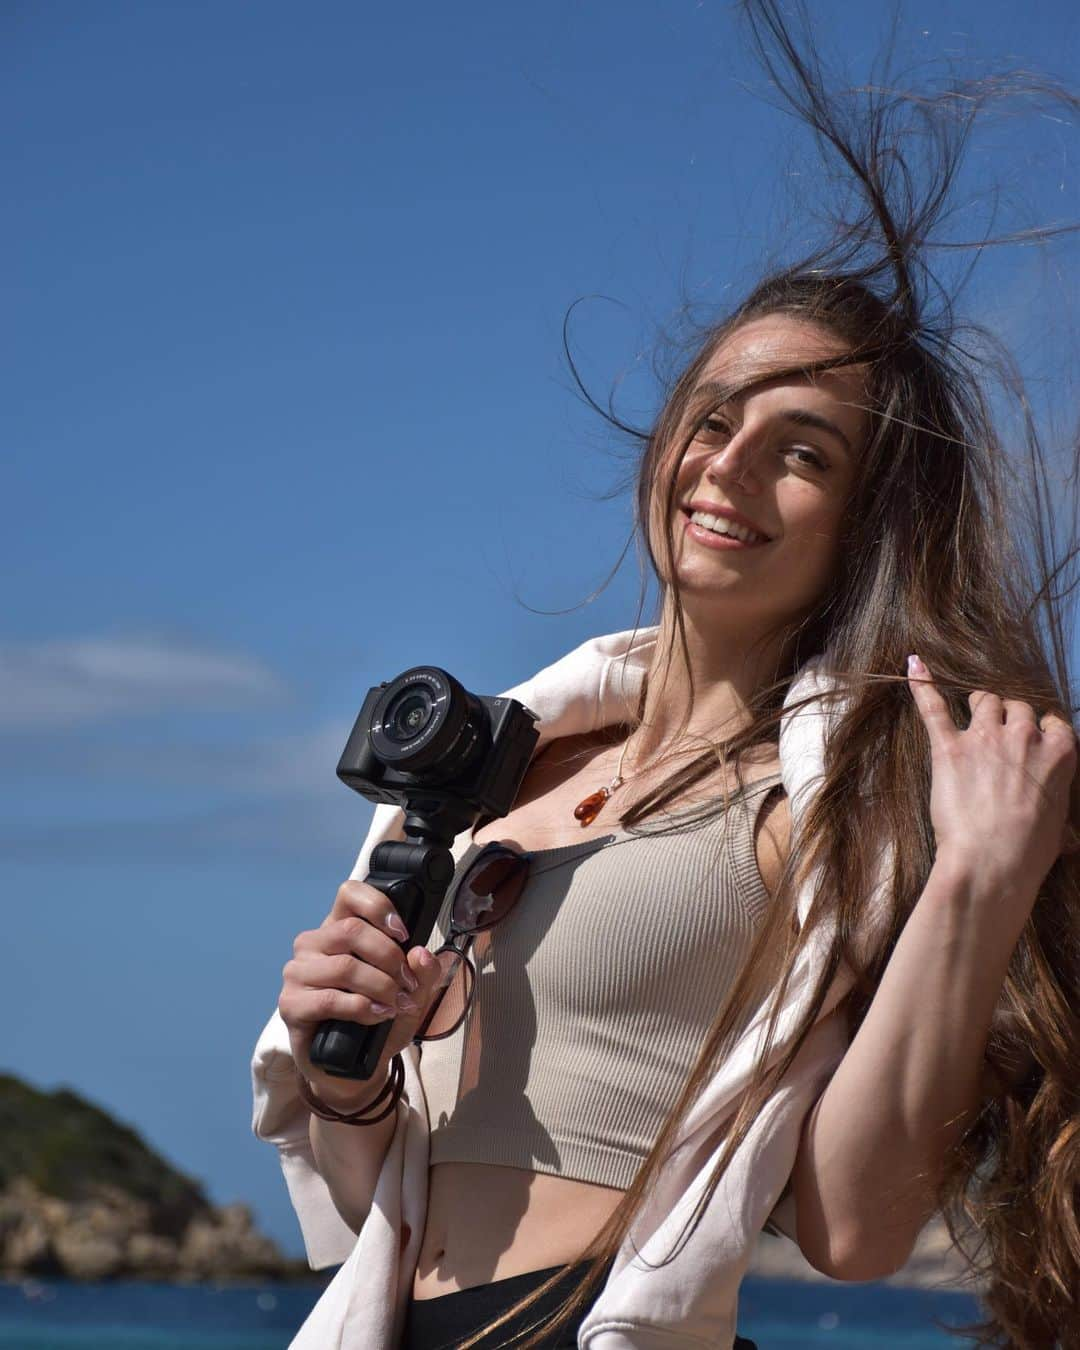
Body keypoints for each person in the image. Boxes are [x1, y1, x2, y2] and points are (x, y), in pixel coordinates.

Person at [253, 5, 1080, 1347]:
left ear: (860, 527)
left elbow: (857, 1226)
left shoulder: (818, 812)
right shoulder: (497, 768)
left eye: (801, 451)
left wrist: (984, 876)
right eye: (716, 414)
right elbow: (375, 1202)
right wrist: (348, 1072)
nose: (730, 466)